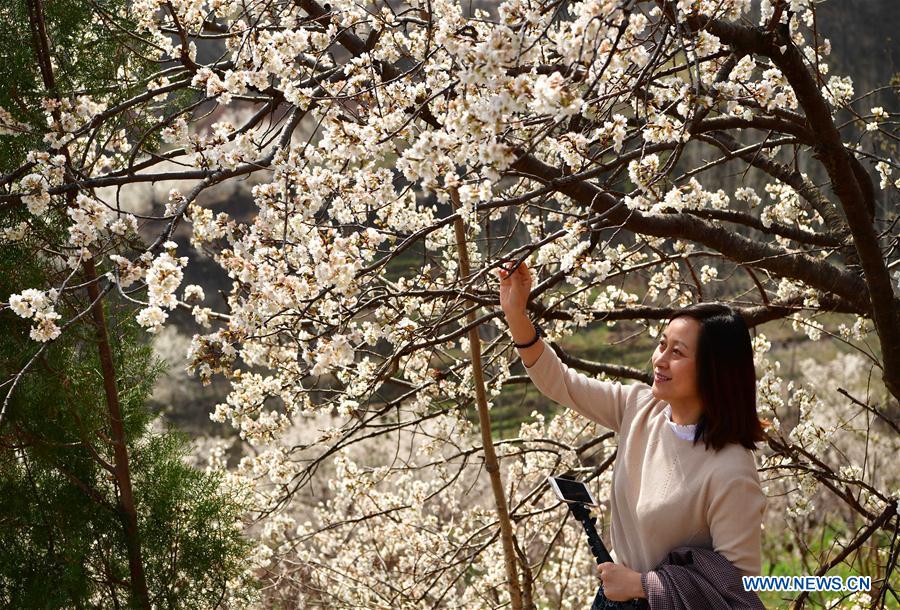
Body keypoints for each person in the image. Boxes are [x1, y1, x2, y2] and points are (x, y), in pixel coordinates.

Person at [497, 259, 767, 603]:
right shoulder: (641, 409)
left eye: (678, 352)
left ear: (713, 370)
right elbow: (561, 382)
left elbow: (738, 593)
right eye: (662, 344)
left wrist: (644, 586)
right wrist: (516, 314)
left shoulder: (731, 470)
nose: (660, 359)